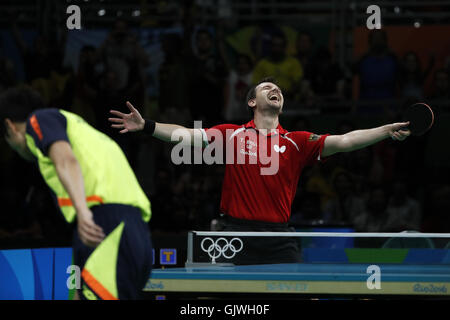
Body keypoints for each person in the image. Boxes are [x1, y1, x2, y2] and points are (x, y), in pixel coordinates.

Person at [109, 77, 410, 265]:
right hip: (233, 234)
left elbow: (346, 141)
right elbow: (185, 135)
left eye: (278, 89)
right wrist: (146, 126)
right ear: (252, 102)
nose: (275, 89)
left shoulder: (298, 142)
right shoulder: (231, 135)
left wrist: (385, 130)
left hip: (278, 239)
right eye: (267, 88)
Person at [0, 86, 152, 300]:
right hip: (133, 232)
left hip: (103, 225)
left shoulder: (40, 119)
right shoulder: (85, 133)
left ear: (10, 126)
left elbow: (66, 160)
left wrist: (82, 213)